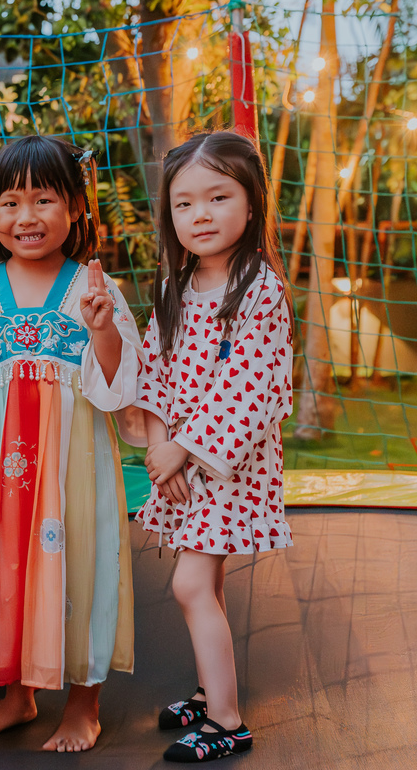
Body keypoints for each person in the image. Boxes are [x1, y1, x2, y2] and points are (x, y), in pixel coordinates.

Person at [0, 135, 142, 752]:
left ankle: (84, 704)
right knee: (10, 570)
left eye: (44, 200)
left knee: (81, 565)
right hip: (8, 468)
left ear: (75, 206)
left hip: (74, 467)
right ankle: (18, 694)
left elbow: (118, 386)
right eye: (10, 203)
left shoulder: (91, 287)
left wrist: (104, 329)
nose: (26, 217)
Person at [124, 131, 294, 763]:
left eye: (218, 197)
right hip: (186, 464)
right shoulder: (177, 288)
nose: (200, 215)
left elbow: (252, 387)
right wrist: (161, 444)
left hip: (229, 468)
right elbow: (156, 374)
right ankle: (208, 688)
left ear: (251, 204)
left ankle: (227, 721)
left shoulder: (259, 290)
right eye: (184, 203)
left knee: (192, 585)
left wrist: (187, 450)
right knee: (207, 585)